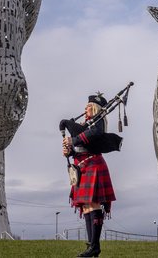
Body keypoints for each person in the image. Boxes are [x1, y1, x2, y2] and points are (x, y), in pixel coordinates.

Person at [62, 93, 116, 257]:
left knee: (92, 204)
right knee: (86, 207)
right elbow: (78, 147)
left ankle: (94, 245)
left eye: (88, 106)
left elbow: (94, 135)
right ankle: (92, 244)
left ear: (95, 107)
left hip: (93, 164)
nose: (85, 108)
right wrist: (68, 151)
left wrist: (73, 140)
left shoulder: (98, 122)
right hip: (81, 166)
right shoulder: (85, 124)